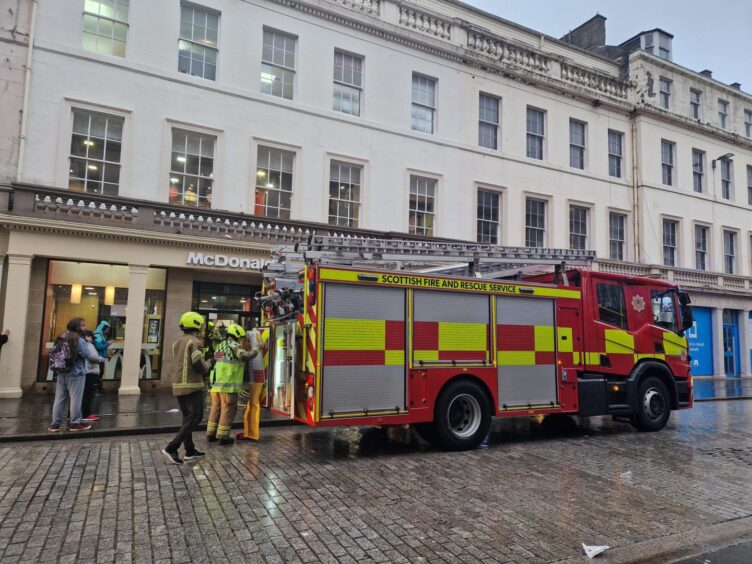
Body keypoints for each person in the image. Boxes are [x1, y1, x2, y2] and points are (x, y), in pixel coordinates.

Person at [162, 311, 213, 465]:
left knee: (187, 418)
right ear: (196, 324)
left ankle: (190, 450)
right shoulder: (195, 342)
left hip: (178, 385)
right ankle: (172, 447)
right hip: (192, 385)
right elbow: (198, 366)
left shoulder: (176, 342)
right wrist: (210, 363)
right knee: (195, 417)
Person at [48, 318, 107, 433]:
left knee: (59, 398)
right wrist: (102, 359)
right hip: (76, 372)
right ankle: (75, 423)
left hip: (61, 371)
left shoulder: (62, 336)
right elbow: (88, 355)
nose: (85, 327)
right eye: (83, 325)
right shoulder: (78, 339)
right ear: (77, 327)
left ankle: (55, 424)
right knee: (76, 398)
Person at [206, 324, 258, 445]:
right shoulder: (234, 345)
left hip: (215, 385)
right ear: (237, 335)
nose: (242, 340)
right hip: (228, 386)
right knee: (228, 410)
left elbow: (217, 360)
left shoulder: (221, 345)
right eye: (241, 338)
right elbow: (244, 356)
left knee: (215, 409)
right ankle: (223, 437)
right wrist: (257, 349)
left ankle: (211, 434)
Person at [237, 327, 268, 442]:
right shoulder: (251, 348)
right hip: (254, 377)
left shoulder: (247, 347)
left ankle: (252, 433)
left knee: (252, 405)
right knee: (252, 405)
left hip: (253, 378)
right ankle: (250, 432)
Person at [80, 330, 103, 423]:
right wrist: (102, 359)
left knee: (80, 394)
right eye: (91, 337)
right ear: (87, 336)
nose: (92, 339)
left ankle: (73, 414)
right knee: (87, 394)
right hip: (90, 372)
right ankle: (86, 414)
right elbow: (93, 357)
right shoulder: (88, 345)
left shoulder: (81, 345)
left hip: (85, 371)